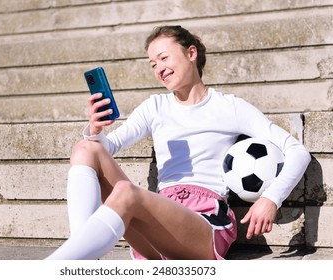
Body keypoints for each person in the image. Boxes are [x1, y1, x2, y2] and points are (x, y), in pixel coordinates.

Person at [45, 25, 311, 260]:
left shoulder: (229, 107)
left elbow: (297, 152)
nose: (159, 69)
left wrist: (270, 199)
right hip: (157, 225)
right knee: (85, 148)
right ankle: (80, 260)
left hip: (204, 224)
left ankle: (61, 266)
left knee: (126, 193)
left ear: (191, 53)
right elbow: (107, 148)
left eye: (163, 58)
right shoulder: (155, 107)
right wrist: (95, 129)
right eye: (152, 64)